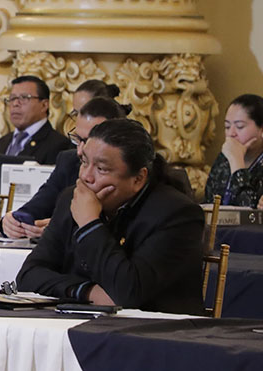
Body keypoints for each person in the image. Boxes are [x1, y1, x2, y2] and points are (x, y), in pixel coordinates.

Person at [16, 119, 204, 313]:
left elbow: (128, 292)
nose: (86, 176)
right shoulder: (71, 199)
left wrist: (89, 224)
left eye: (101, 169)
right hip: (83, 321)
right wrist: (87, 292)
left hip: (157, 327)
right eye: (84, 162)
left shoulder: (176, 214)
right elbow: (28, 276)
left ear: (138, 179)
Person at [1, 96, 127, 238]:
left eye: (89, 141)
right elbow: (39, 205)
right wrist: (13, 222)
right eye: (78, 139)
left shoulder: (126, 168)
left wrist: (62, 229)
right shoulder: (69, 161)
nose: (80, 150)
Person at [0, 75, 70, 163]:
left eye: (24, 97)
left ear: (44, 105)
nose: (15, 104)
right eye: (12, 98)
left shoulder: (60, 146)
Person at [204, 93, 263, 208]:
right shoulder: (224, 158)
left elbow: (250, 210)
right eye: (227, 127)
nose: (231, 133)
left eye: (240, 126)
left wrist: (237, 165)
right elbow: (208, 203)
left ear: (261, 129)